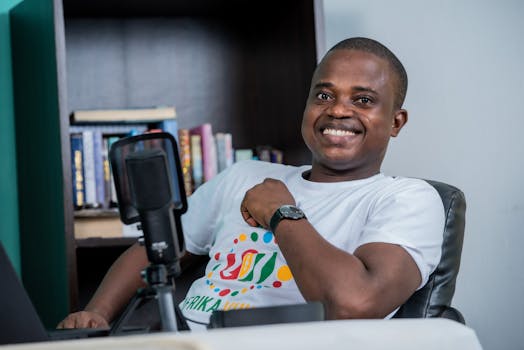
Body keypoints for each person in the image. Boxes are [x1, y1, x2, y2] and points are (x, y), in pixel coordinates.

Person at [57, 37, 444, 330]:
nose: (338, 109)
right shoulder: (245, 176)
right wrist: (96, 314)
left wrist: (281, 213)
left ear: (396, 122)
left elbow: (354, 305)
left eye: (363, 100)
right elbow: (156, 248)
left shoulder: (407, 200)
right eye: (324, 95)